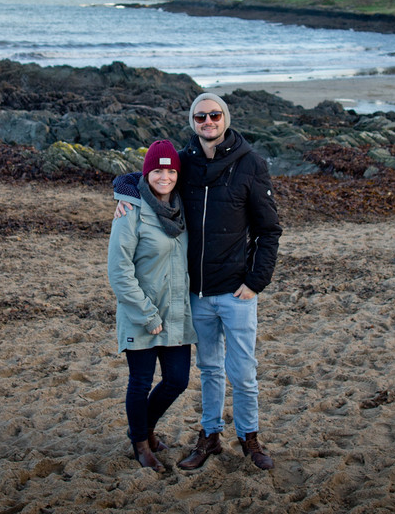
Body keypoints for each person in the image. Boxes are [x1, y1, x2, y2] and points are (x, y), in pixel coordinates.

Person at [115, 92, 282, 471]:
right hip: (196, 294)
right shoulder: (185, 163)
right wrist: (120, 193)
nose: (208, 121)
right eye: (200, 116)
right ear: (192, 122)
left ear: (226, 117)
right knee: (208, 370)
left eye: (215, 114)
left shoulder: (251, 164)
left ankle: (250, 438)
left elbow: (269, 230)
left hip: (238, 291)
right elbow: (143, 177)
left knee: (243, 371)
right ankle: (210, 437)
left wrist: (257, 281)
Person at [107, 139, 196, 473]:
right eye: (157, 170)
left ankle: (142, 427)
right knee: (140, 383)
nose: (164, 176)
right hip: (141, 314)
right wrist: (146, 313)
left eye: (170, 170)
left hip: (176, 314)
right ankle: (141, 444)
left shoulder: (182, 208)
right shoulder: (130, 211)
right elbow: (118, 270)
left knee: (177, 380)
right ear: (147, 173)